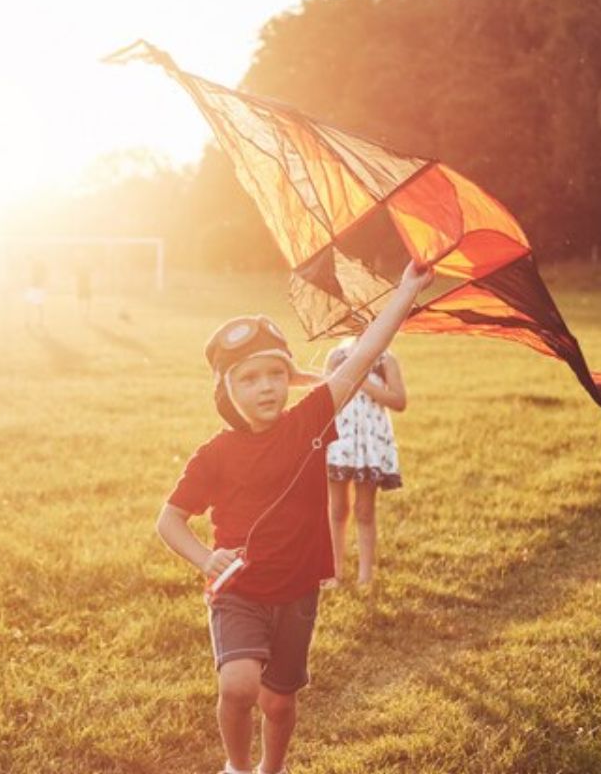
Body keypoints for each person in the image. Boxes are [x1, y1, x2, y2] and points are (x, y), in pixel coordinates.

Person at [155, 261, 431, 774]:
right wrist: (205, 558)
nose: (266, 388)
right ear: (226, 390)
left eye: (276, 374)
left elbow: (365, 353)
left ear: (291, 378)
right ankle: (238, 767)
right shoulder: (213, 454)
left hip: (298, 591)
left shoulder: (311, 417)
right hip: (239, 590)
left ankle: (271, 769)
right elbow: (169, 520)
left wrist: (407, 290)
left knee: (279, 702)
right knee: (238, 684)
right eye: (249, 378)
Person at [324, 340, 406, 587]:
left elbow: (399, 401)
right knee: (337, 509)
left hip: (370, 444)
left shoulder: (385, 360)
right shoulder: (337, 356)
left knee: (364, 510)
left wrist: (366, 383)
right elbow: (326, 397)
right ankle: (334, 572)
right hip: (341, 441)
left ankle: (365, 577)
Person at [24, 257, 47, 330]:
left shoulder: (37, 271)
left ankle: (38, 321)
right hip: (34, 288)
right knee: (37, 306)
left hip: (36, 289)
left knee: (37, 306)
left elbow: (37, 280)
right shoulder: (35, 270)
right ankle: (35, 321)